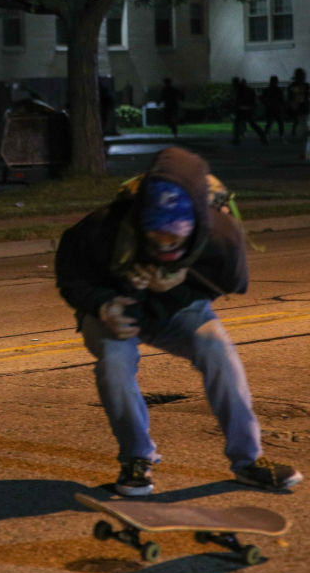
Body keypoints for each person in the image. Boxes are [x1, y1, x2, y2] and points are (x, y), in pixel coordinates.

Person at [55, 146, 302, 496]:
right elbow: (70, 275)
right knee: (114, 364)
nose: (164, 243)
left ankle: (248, 461)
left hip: (179, 311)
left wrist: (177, 283)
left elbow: (231, 282)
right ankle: (136, 460)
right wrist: (102, 304)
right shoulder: (105, 226)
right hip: (115, 309)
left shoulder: (221, 235)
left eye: (175, 237)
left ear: (198, 224)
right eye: (155, 233)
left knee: (220, 353)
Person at [231, 77, 268, 145]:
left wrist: (235, 108)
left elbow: (237, 101)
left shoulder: (238, 90)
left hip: (242, 109)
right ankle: (263, 136)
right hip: (249, 109)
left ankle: (236, 138)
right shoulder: (249, 90)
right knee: (252, 124)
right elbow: (254, 100)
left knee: (237, 123)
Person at [286, 68, 309, 146]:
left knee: (301, 122)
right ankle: (303, 138)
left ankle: (301, 137)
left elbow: (292, 97)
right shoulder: (304, 86)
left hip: (300, 107)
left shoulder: (296, 86)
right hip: (300, 107)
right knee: (302, 123)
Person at [260, 75, 286, 140]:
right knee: (280, 123)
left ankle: (266, 135)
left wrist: (266, 104)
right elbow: (282, 100)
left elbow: (262, 98)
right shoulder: (278, 90)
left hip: (270, 108)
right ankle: (281, 136)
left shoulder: (267, 90)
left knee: (270, 123)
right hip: (277, 109)